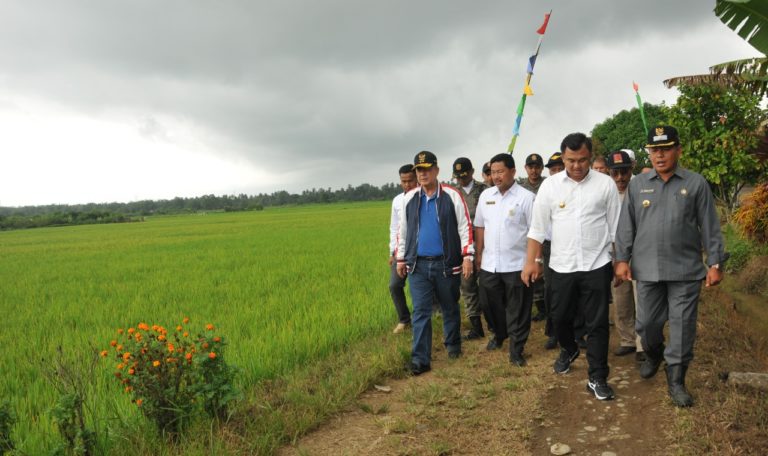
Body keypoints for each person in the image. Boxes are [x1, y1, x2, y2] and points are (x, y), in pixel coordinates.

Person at [614, 126, 726, 407]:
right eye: (654, 150)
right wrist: (622, 260)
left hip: (685, 270)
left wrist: (715, 263)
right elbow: (626, 226)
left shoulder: (696, 183)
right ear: (649, 153)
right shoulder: (638, 185)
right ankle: (654, 353)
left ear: (678, 150)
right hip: (647, 269)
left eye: (665, 149)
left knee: (682, 326)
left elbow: (710, 226)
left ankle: (676, 380)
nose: (660, 155)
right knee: (646, 324)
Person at [523, 133, 620, 401]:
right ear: (563, 158)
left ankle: (597, 377)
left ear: (590, 157)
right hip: (561, 265)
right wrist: (531, 262)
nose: (577, 166)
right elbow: (537, 229)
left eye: (582, 160)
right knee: (559, 317)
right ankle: (569, 348)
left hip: (597, 264)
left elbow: (616, 229)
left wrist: (620, 262)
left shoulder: (605, 185)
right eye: (571, 160)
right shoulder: (550, 186)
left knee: (597, 323)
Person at [396, 151, 474, 375]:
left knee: (450, 306)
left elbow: (465, 226)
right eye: (419, 170)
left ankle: (453, 346)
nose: (423, 174)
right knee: (421, 311)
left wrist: (467, 256)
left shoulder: (452, 195)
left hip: (446, 264)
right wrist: (401, 258)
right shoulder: (410, 199)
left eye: (427, 169)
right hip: (418, 265)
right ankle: (420, 359)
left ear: (437, 170)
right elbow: (404, 231)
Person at [475, 153, 535, 366]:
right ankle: (500, 333)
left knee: (519, 309)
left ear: (513, 171)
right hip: (490, 263)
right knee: (489, 304)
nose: (496, 176)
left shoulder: (526, 198)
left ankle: (516, 349)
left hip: (517, 264)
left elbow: (535, 232)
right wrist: (478, 253)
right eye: (493, 172)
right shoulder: (486, 196)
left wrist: (534, 262)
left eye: (500, 171)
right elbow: (480, 226)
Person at [605, 151, 643, 358]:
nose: (620, 178)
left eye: (624, 172)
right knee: (621, 299)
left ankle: (643, 344)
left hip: (640, 251)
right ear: (609, 173)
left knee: (643, 298)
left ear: (631, 170)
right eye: (615, 173)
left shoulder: (641, 189)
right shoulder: (605, 192)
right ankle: (627, 340)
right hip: (615, 252)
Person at [452, 157, 489, 340]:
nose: (461, 179)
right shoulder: (453, 193)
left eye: (464, 176)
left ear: (472, 172)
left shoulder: (485, 190)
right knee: (467, 285)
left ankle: (494, 322)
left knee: (487, 284)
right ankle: (476, 326)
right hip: (463, 245)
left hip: (484, 242)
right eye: (458, 176)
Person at [518, 153, 547, 322]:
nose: (534, 170)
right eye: (531, 167)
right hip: (528, 235)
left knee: (545, 271)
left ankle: (548, 305)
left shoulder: (547, 185)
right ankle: (539, 307)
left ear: (542, 168)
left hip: (547, 233)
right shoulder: (520, 187)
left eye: (537, 167)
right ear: (526, 168)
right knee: (532, 270)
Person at [389, 164, 418, 334]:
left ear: (417, 179)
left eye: (410, 181)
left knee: (419, 286)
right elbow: (394, 227)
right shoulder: (397, 200)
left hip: (419, 251)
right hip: (400, 251)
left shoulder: (423, 197)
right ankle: (404, 319)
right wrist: (392, 251)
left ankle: (432, 313)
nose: (407, 184)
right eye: (403, 181)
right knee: (394, 285)